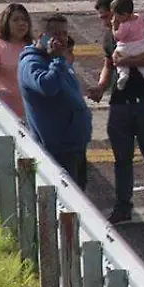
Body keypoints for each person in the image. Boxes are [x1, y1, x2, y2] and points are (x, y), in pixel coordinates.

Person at [88, 0, 144, 224]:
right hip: (120, 103)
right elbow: (108, 64)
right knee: (121, 158)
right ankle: (123, 205)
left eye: (107, 17)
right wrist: (101, 87)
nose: (106, 23)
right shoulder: (110, 36)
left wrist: (127, 62)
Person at [18, 14, 92, 189]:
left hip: (75, 144)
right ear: (40, 36)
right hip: (57, 148)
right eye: (56, 34)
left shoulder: (57, 60)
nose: (62, 39)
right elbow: (47, 86)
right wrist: (59, 60)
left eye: (64, 34)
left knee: (80, 198)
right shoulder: (31, 63)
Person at [0, 3, 34, 120]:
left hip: (32, 113)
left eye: (24, 20)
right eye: (15, 20)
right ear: (6, 23)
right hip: (7, 111)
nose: (21, 23)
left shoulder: (33, 47)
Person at [108, 0, 144, 95]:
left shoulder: (124, 25)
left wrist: (114, 27)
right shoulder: (140, 17)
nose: (116, 18)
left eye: (116, 16)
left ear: (124, 14)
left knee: (120, 61)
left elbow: (118, 36)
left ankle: (123, 75)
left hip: (125, 47)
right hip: (141, 47)